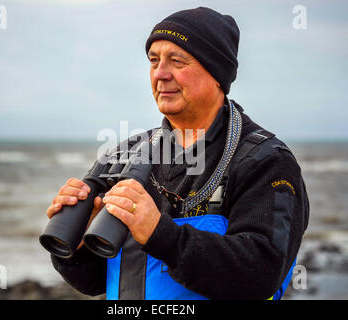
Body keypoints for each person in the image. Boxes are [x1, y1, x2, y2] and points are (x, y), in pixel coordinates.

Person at [46, 7, 309, 300]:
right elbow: (94, 282)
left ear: (216, 73)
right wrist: (77, 244)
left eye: (177, 61)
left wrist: (160, 235)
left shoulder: (267, 161)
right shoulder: (122, 156)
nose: (160, 74)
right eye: (154, 60)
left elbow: (261, 274)